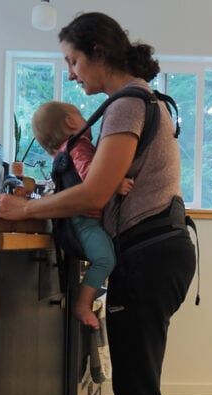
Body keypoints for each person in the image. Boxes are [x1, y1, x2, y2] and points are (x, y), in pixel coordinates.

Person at [0, 12, 195, 395]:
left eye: (74, 61)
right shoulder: (132, 101)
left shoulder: (127, 103)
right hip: (154, 251)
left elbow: (96, 192)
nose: (73, 73)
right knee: (134, 380)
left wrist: (24, 211)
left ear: (100, 52)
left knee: (136, 384)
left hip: (151, 256)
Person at [31, 100, 133, 330]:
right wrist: (115, 183)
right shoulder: (79, 146)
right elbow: (92, 176)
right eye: (80, 115)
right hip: (85, 219)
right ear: (70, 121)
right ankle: (83, 304)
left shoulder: (64, 152)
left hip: (82, 220)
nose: (86, 119)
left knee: (109, 256)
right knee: (105, 259)